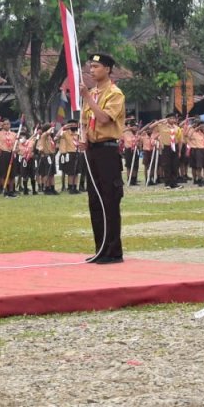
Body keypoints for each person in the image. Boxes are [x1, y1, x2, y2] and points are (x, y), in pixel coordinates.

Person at [80, 52, 126, 264]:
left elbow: (104, 118)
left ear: (107, 69)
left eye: (96, 66)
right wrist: (83, 139)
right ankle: (100, 249)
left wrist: (88, 98)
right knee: (95, 200)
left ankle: (113, 251)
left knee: (109, 199)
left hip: (108, 150)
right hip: (93, 150)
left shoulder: (114, 94)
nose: (92, 70)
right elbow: (86, 121)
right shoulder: (92, 93)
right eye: (91, 66)